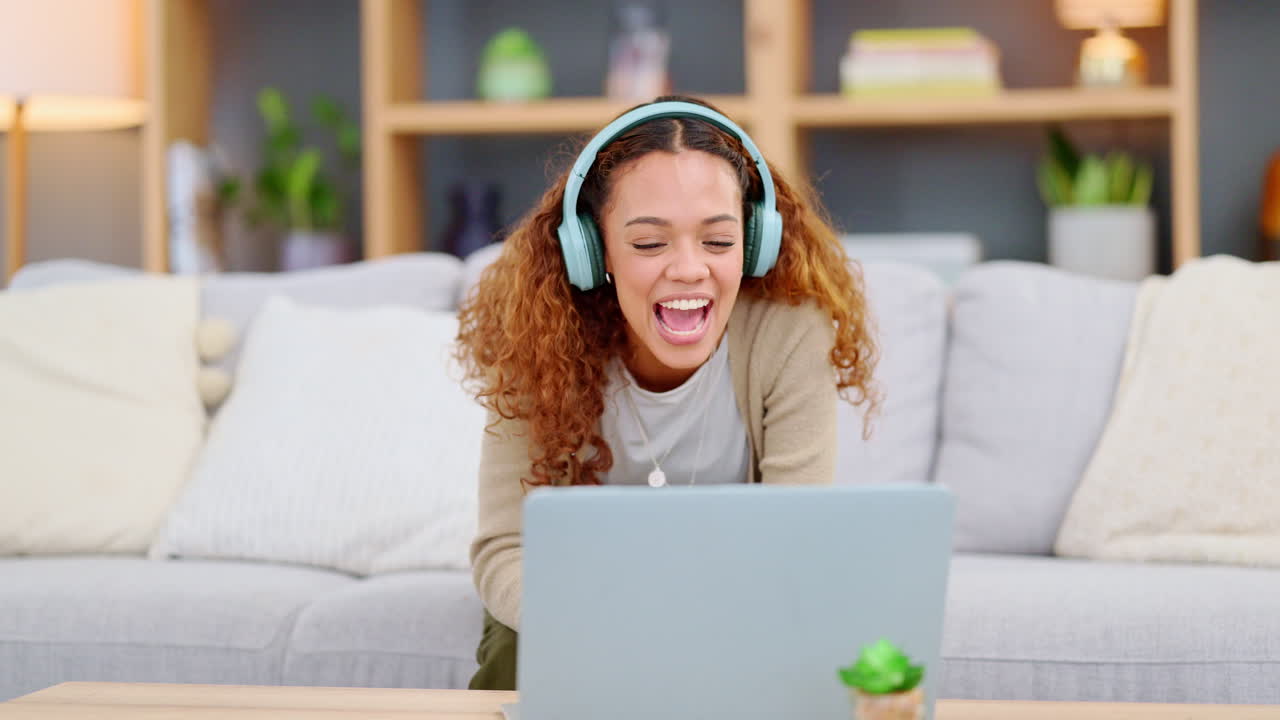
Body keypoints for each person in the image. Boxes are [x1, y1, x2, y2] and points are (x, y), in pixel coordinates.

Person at [453, 95, 880, 691]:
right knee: (517, 653)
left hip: (742, 594)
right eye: (650, 244)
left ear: (753, 242)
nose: (688, 269)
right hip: (578, 601)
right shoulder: (540, 338)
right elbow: (505, 549)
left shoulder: (788, 330)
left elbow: (793, 540)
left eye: (718, 241)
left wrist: (698, 626)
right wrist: (601, 627)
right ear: (592, 249)